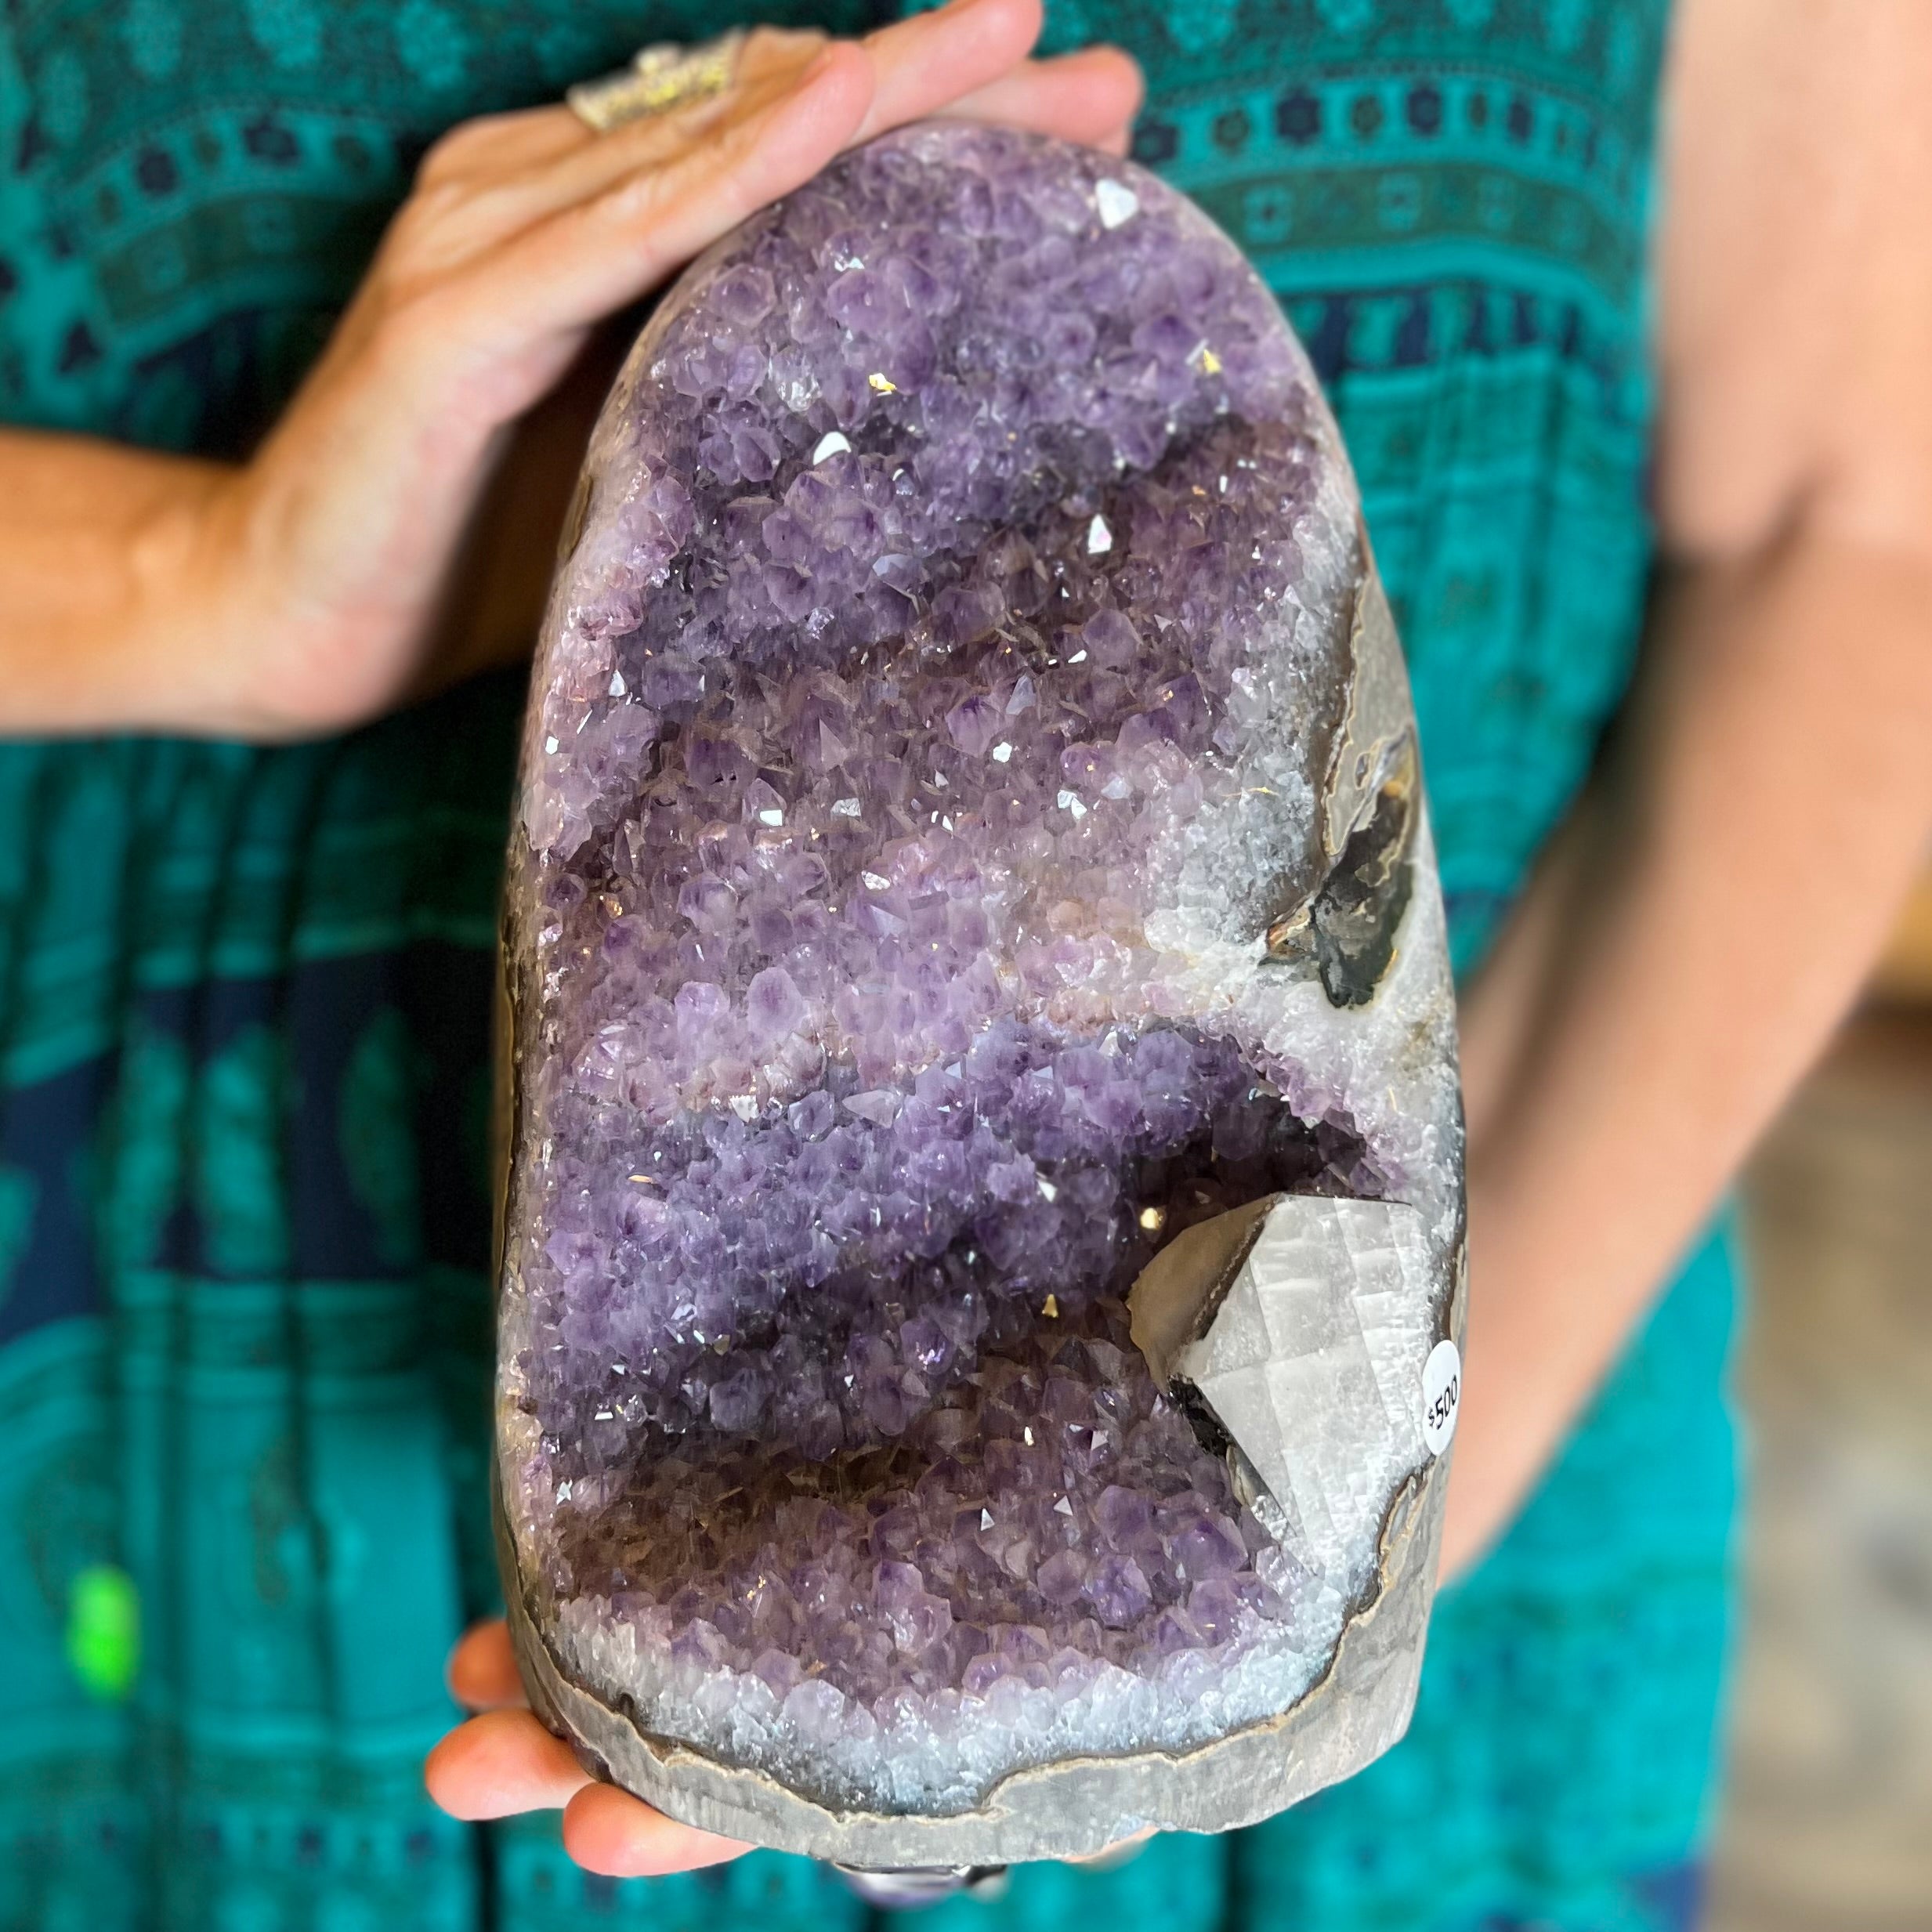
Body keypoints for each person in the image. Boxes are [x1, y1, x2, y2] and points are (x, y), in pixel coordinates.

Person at [1, 0, 1927, 1926]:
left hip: (1516, 1233)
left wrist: (1365, 1495)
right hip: (199, 1405)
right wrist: (200, 573)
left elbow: (1852, 529)